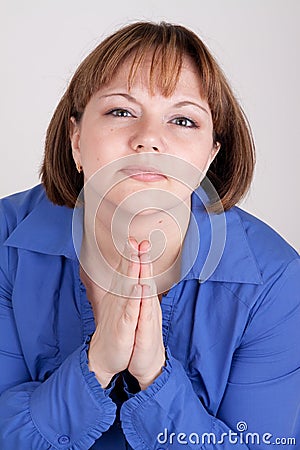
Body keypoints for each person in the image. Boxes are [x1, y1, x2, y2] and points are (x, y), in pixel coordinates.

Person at [0, 21, 299, 450]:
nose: (149, 139)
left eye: (182, 119)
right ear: (76, 139)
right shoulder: (6, 239)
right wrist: (97, 363)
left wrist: (156, 375)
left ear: (210, 155)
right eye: (121, 111)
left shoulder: (276, 280)